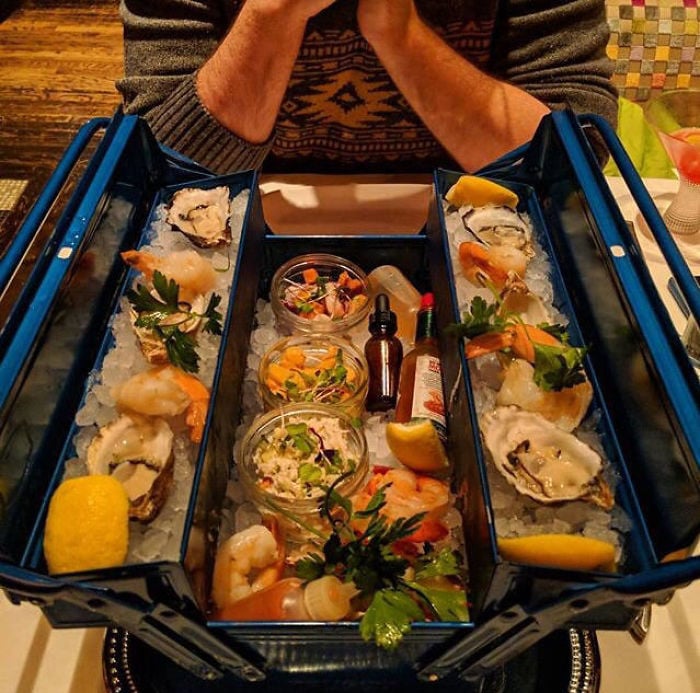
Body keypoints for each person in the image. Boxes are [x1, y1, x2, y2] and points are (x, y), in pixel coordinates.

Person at [117, 0, 617, 175]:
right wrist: (273, 15)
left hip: (474, 229)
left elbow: (571, 160)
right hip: (242, 230)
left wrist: (398, 34)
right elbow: (159, 167)